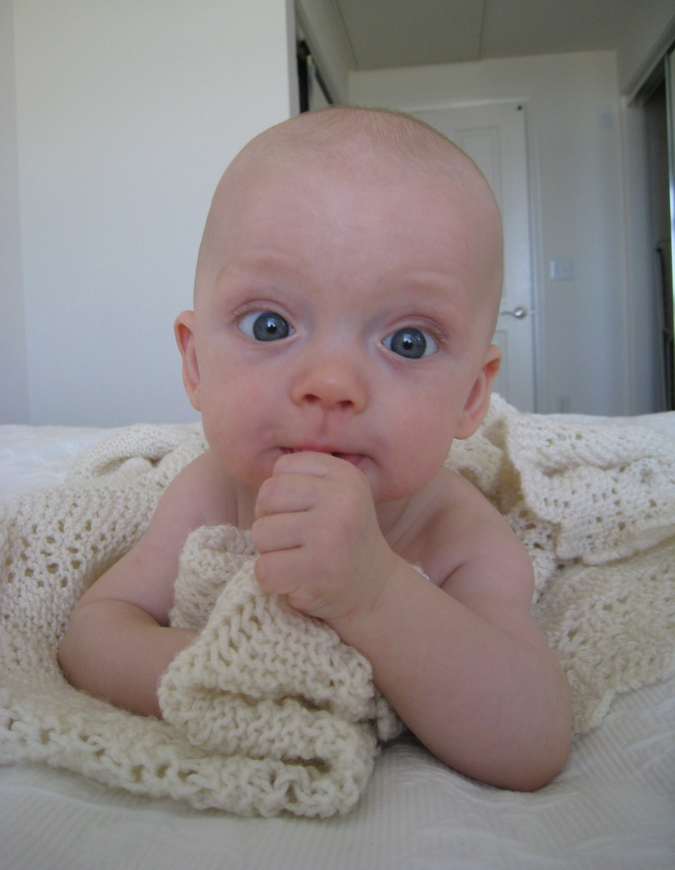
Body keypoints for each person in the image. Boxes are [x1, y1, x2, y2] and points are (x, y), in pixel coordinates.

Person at [58, 106, 572, 791]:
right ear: (196, 365)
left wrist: (375, 592)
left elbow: (532, 740)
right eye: (270, 326)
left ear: (471, 398)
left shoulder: (459, 536)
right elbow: (93, 634)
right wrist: (232, 677)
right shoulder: (206, 496)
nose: (331, 385)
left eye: (408, 342)